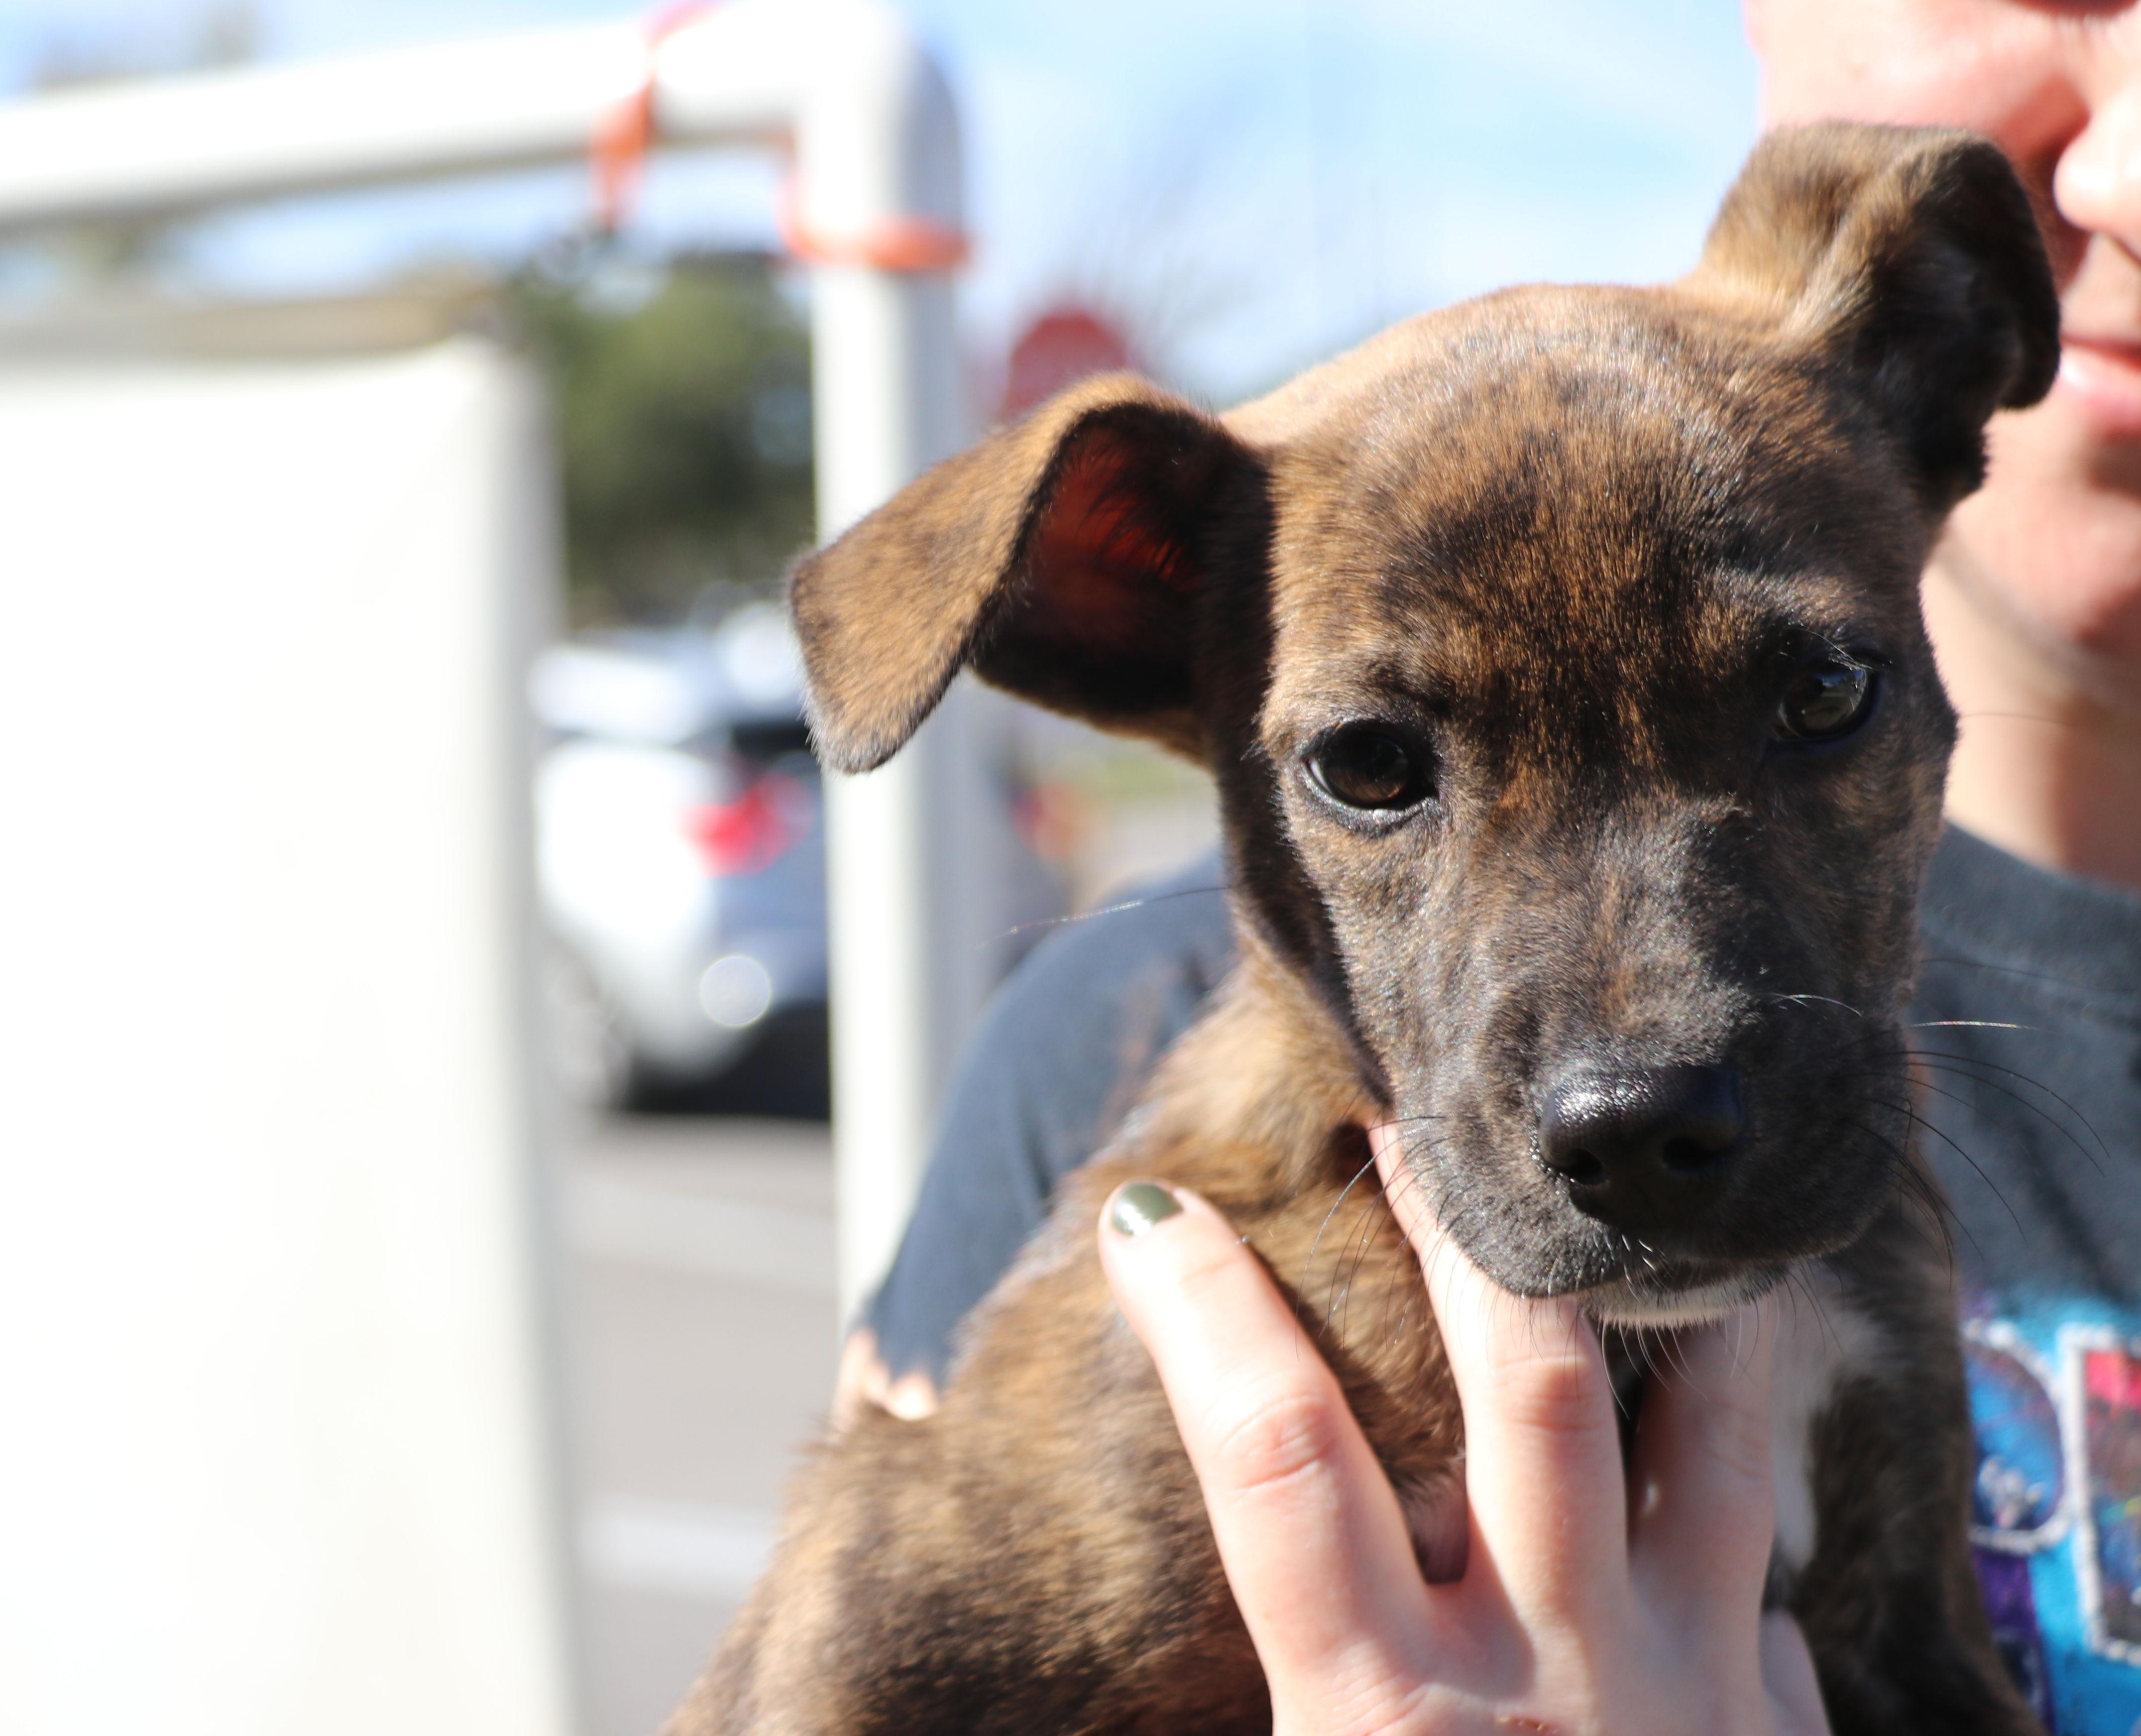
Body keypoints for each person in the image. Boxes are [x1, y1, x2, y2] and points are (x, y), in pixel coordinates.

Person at [838, 1, 2141, 1728]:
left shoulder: (1878, 1224)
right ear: (1121, 635)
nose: (1651, 1033)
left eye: (1813, 697)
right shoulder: (1134, 1108)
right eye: (1380, 770)